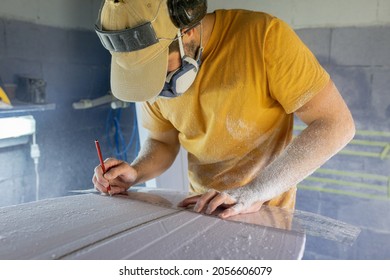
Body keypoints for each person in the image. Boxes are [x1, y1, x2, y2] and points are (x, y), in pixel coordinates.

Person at [92, 0, 355, 219]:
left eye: (159, 69)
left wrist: (255, 192)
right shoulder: (152, 74)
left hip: (265, 212)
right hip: (201, 209)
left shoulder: (264, 37)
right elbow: (162, 140)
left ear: (188, 31)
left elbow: (336, 124)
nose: (156, 84)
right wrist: (136, 172)